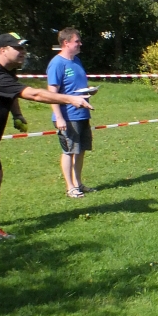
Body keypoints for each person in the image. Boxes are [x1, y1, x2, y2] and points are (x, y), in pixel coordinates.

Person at [0, 33, 93, 240]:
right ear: (3, 50)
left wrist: (17, 114)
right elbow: (34, 94)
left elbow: (11, 92)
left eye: (24, 48)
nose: (23, 52)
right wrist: (70, 99)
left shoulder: (4, 67)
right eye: (18, 48)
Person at [47, 27, 95, 198]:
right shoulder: (57, 63)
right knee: (69, 151)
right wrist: (59, 117)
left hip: (82, 114)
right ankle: (70, 187)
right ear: (66, 43)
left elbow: (76, 87)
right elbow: (52, 94)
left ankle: (78, 183)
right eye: (77, 41)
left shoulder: (76, 61)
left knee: (80, 150)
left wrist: (89, 92)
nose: (80, 43)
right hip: (67, 116)